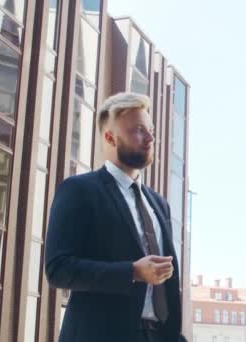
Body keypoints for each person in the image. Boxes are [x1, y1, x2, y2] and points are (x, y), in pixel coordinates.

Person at [45, 93, 183, 342]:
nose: (150, 138)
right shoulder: (79, 190)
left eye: (151, 130)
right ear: (110, 137)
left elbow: (168, 290)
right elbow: (58, 269)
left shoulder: (159, 204)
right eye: (139, 130)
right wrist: (132, 272)